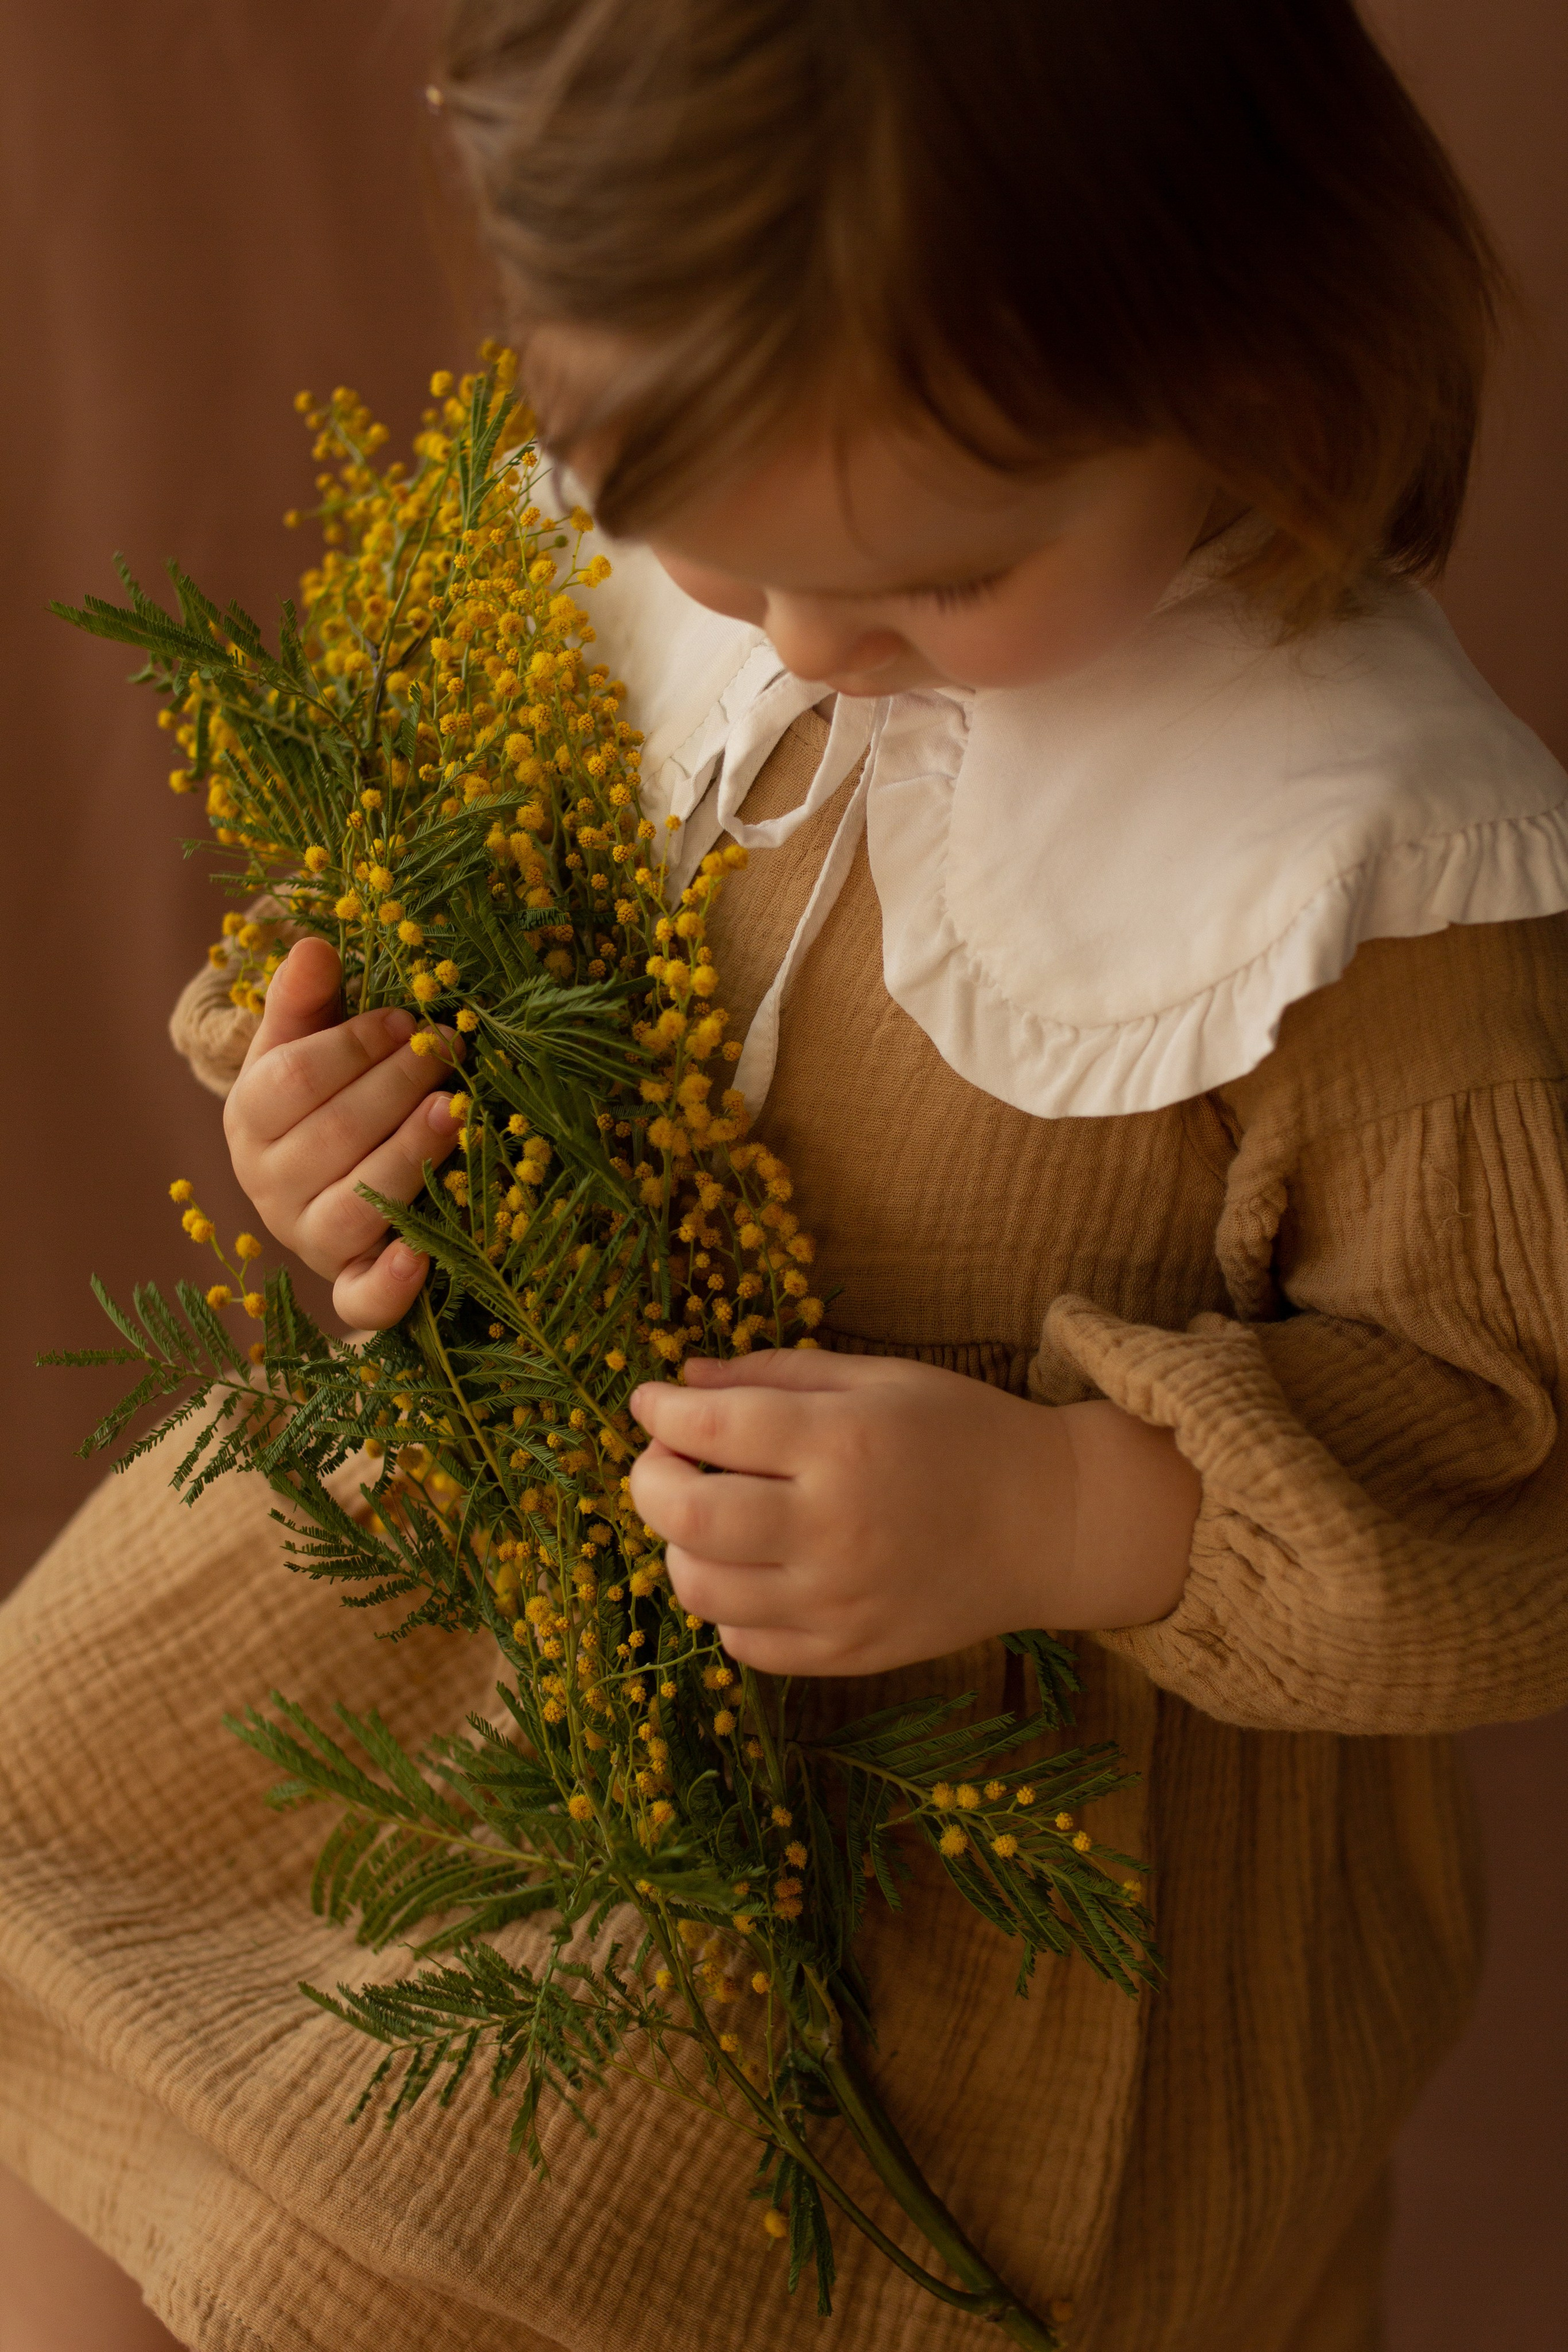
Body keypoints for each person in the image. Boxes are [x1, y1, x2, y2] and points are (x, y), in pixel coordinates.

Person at [4, 2, 1567, 2346]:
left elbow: (1514, 1469)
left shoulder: (1367, 859)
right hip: (476, 1649)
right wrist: (330, 1132)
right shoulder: (647, 548)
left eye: (947, 576)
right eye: (716, 557)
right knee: (73, 2023)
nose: (815, 647)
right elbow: (409, 913)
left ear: (1252, 373)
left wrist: (1071, 1513)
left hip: (933, 1885)